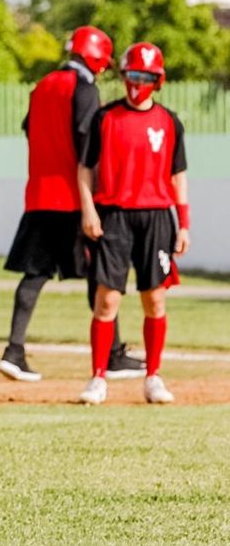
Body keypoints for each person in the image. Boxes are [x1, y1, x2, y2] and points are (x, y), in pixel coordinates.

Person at [0, 26, 146, 382]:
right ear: (97, 57)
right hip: (74, 198)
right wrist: (95, 196)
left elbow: (29, 128)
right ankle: (112, 354)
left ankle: (13, 351)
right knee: (101, 275)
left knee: (34, 274)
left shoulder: (43, 86)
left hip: (38, 195)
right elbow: (88, 144)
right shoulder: (84, 89)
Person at [77, 42, 190, 405]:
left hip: (157, 217)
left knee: (154, 300)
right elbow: (84, 168)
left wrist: (184, 223)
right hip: (114, 216)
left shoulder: (169, 122)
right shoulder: (105, 118)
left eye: (145, 76)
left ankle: (153, 376)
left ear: (158, 81)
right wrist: (89, 211)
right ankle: (98, 378)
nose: (136, 83)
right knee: (106, 300)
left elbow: (178, 175)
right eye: (131, 75)